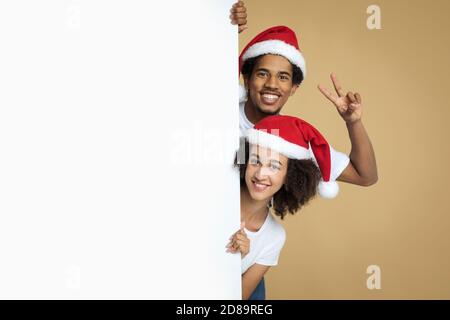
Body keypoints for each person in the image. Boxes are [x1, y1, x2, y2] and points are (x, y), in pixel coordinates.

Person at [227, 114, 342, 300]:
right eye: (255, 161)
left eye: (274, 166)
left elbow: (237, 300)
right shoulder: (218, 197)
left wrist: (236, 260)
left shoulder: (274, 237)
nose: (261, 174)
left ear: (290, 175)